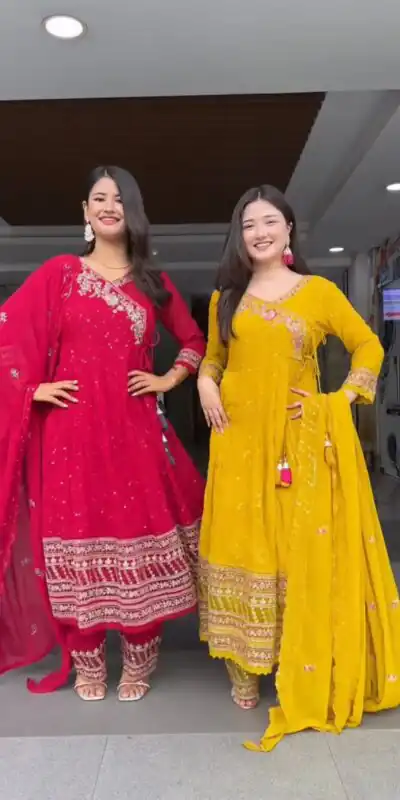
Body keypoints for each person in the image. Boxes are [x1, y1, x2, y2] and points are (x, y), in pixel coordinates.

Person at [197, 184, 400, 751]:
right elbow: (214, 357)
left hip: (296, 442)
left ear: (288, 229)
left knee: (291, 545)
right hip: (235, 440)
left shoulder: (318, 293)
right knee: (241, 540)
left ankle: (296, 656)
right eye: (248, 225)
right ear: (239, 237)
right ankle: (243, 663)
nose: (259, 233)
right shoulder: (225, 298)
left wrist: (339, 400)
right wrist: (206, 382)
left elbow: (368, 346)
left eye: (269, 221)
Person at [0, 166, 205, 701]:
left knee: (136, 535)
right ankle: (88, 662)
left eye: (120, 198)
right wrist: (31, 389)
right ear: (85, 212)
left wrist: (167, 378)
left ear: (134, 211)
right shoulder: (61, 273)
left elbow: (194, 341)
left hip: (135, 435)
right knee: (75, 539)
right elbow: (7, 331)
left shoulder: (152, 283)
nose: (109, 206)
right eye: (99, 198)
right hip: (68, 437)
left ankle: (139, 658)